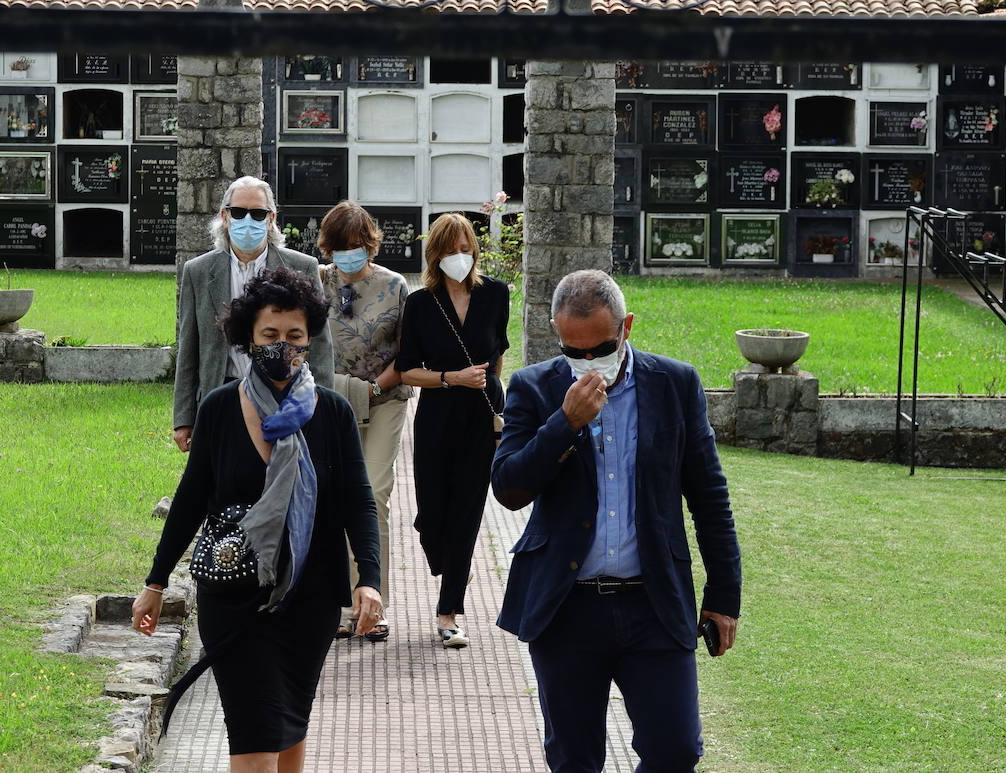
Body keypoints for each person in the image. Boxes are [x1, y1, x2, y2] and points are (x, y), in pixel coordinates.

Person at [132, 267, 382, 773]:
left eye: (294, 336)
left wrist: (369, 581)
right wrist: (156, 583)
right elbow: (191, 499)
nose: (282, 346)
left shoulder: (331, 412)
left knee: (288, 727)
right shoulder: (220, 409)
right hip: (234, 597)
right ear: (248, 336)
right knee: (255, 735)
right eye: (270, 335)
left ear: (310, 339)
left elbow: (359, 500)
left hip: (309, 601)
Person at [491, 269, 742, 772]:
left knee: (675, 751)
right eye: (573, 350)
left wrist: (722, 597)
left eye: (599, 347)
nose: (587, 361)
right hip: (566, 609)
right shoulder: (532, 386)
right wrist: (564, 424)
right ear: (557, 334)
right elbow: (510, 488)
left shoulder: (675, 383)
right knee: (574, 759)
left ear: (627, 326)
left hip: (654, 603)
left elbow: (710, 496)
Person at [396, 212, 509, 648]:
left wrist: (491, 395)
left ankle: (449, 613)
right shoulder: (421, 302)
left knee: (467, 515)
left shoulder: (496, 293)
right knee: (432, 514)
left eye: (466, 248)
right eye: (450, 250)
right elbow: (407, 370)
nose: (460, 257)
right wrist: (450, 377)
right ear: (434, 256)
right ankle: (441, 549)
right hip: (437, 413)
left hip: (481, 415)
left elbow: (496, 353)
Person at [172, 175, 334, 452]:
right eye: (238, 212)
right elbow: (189, 346)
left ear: (271, 219)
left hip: (285, 395)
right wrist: (183, 418)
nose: (248, 220)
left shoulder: (302, 267)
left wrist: (321, 408)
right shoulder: (197, 271)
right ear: (225, 216)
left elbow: (319, 346)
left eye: (258, 213)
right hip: (221, 394)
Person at [315, 200, 412, 642]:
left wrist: (373, 388)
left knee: (373, 494)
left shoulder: (395, 286)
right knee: (332, 496)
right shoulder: (315, 281)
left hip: (385, 398)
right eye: (340, 247)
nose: (348, 254)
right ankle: (337, 601)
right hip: (331, 404)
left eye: (357, 246)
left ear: (370, 244)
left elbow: (409, 353)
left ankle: (375, 603)